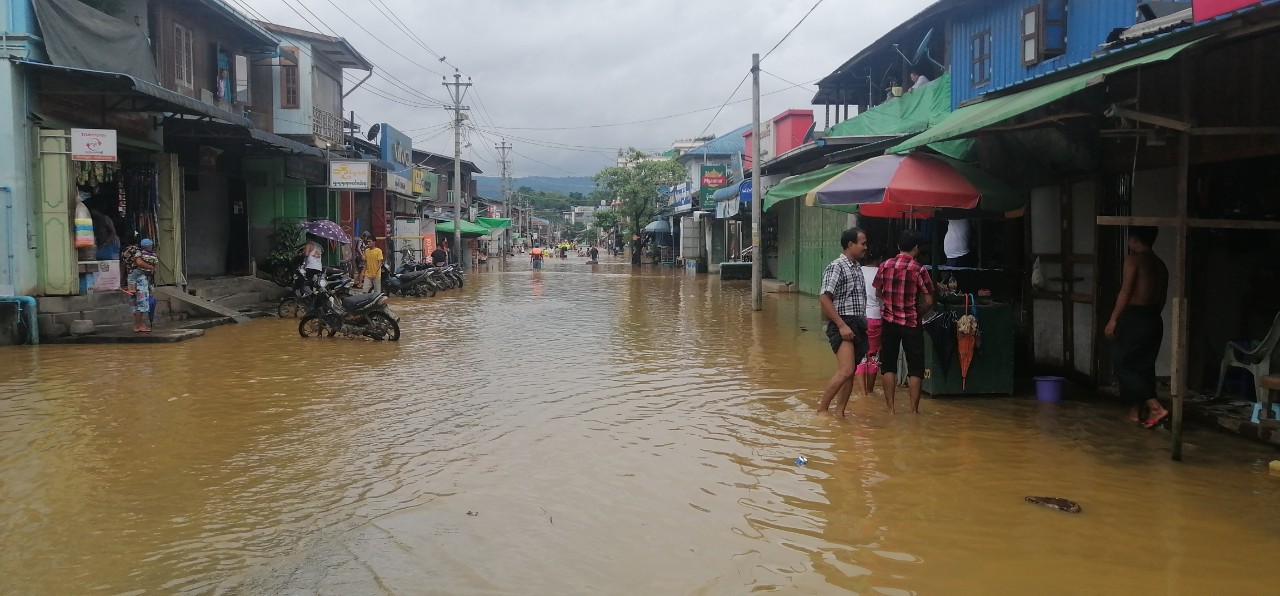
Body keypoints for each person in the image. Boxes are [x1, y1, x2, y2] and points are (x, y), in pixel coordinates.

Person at [1104, 226, 1170, 429]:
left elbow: (1125, 291)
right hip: (1153, 317)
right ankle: (1134, 413)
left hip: (1135, 317)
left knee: (1122, 365)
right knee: (1143, 367)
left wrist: (1113, 319)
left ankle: (1155, 407)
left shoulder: (1134, 260)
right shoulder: (1160, 265)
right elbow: (1162, 298)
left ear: (1134, 239)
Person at [875, 230, 936, 414]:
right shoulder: (919, 269)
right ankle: (913, 411)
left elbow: (878, 293)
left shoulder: (885, 265)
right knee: (915, 368)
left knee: (888, 365)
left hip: (889, 322)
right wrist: (918, 312)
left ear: (898, 247)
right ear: (916, 249)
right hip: (912, 324)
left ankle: (891, 409)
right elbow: (930, 300)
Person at [816, 227, 870, 418]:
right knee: (846, 370)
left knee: (851, 371)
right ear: (850, 244)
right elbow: (824, 298)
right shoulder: (837, 266)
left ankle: (840, 413)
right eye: (862, 243)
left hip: (857, 323)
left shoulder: (856, 267)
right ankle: (822, 410)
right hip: (842, 323)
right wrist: (841, 325)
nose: (865, 247)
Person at [856, 253, 885, 397]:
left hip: (859, 317)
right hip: (875, 318)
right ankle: (869, 390)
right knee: (873, 356)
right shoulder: (880, 272)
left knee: (860, 355)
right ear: (879, 259)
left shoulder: (857, 271)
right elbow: (882, 298)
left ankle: (862, 393)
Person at [123, 238, 158, 333]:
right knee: (142, 303)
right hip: (140, 279)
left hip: (131, 278)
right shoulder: (138, 251)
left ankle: (139, 324)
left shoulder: (126, 251)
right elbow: (139, 262)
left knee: (134, 302)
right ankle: (137, 326)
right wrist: (151, 267)